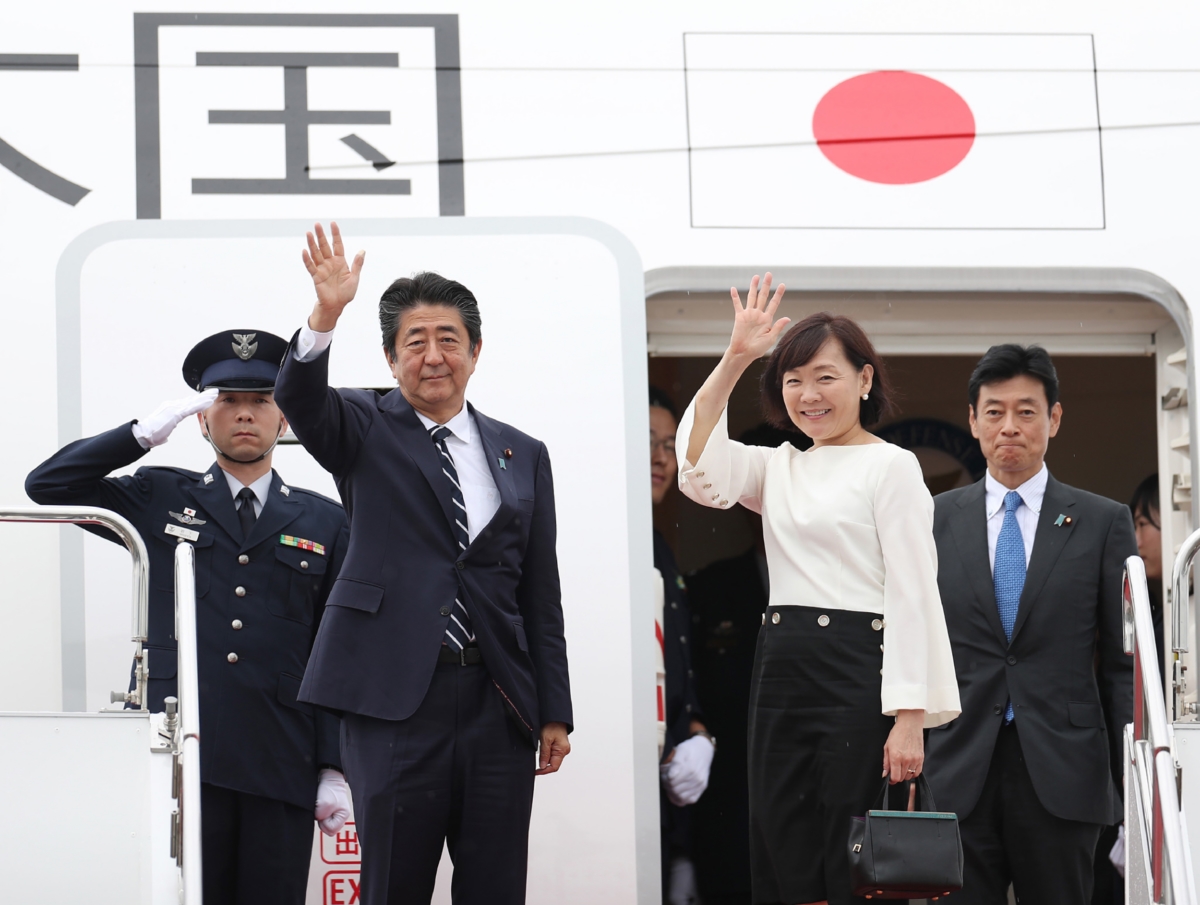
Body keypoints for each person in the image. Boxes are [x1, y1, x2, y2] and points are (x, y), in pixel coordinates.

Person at [273, 223, 573, 905]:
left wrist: (553, 707)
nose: (433, 356)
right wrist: (325, 316)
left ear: (475, 350)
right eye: (416, 342)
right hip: (393, 700)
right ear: (389, 357)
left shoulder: (521, 451)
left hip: (498, 701)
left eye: (448, 339)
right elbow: (298, 399)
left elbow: (539, 589)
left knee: (496, 886)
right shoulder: (364, 426)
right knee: (393, 884)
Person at [25, 330, 351, 905]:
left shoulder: (326, 522)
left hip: (281, 759)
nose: (244, 414)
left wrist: (334, 765)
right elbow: (47, 486)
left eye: (262, 400)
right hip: (177, 754)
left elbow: (336, 651)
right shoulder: (158, 495)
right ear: (202, 419)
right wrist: (139, 436)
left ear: (286, 420)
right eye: (226, 401)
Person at [676, 274, 960, 905]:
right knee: (780, 840)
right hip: (780, 670)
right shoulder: (777, 465)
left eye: (826, 376)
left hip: (858, 673)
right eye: (794, 379)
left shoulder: (892, 465)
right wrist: (735, 358)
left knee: (850, 849)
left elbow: (914, 591)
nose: (809, 394)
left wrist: (910, 719)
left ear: (864, 380)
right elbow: (697, 467)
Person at [923, 344, 1136, 905]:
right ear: (972, 420)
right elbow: (910, 644)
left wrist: (1131, 784)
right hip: (959, 765)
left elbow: (1121, 665)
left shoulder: (1102, 521)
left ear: (1055, 418)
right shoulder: (933, 519)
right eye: (994, 411)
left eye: (1026, 411)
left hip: (1066, 772)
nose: (1009, 427)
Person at [686, 422, 804, 905]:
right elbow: (691, 685)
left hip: (816, 795)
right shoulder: (710, 587)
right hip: (730, 804)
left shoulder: (846, 582)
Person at [650, 385, 714, 905]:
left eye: (669, 445)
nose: (658, 457)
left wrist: (695, 730)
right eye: (646, 440)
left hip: (670, 768)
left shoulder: (660, 547)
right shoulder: (613, 539)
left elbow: (676, 658)